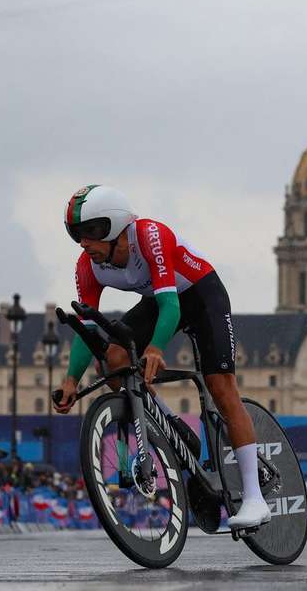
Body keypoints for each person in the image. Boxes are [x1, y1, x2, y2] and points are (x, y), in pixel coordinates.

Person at [53, 185, 270, 529]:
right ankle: (161, 421)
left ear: (115, 226)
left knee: (221, 386)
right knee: (114, 356)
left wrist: (155, 348)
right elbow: (85, 328)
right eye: (76, 234)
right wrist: (69, 380)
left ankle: (255, 499)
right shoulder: (88, 266)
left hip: (200, 295)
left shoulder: (150, 235)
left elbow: (172, 305)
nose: (83, 242)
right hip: (160, 300)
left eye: (91, 232)